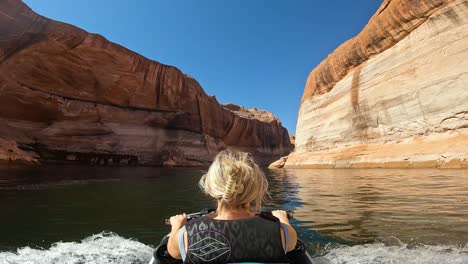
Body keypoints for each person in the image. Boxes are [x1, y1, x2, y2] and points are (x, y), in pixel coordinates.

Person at [167, 149, 297, 263]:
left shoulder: (187, 234)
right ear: (256, 188)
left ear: (211, 186)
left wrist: (177, 226)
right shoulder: (280, 232)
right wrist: (282, 219)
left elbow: (173, 252)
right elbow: (292, 244)